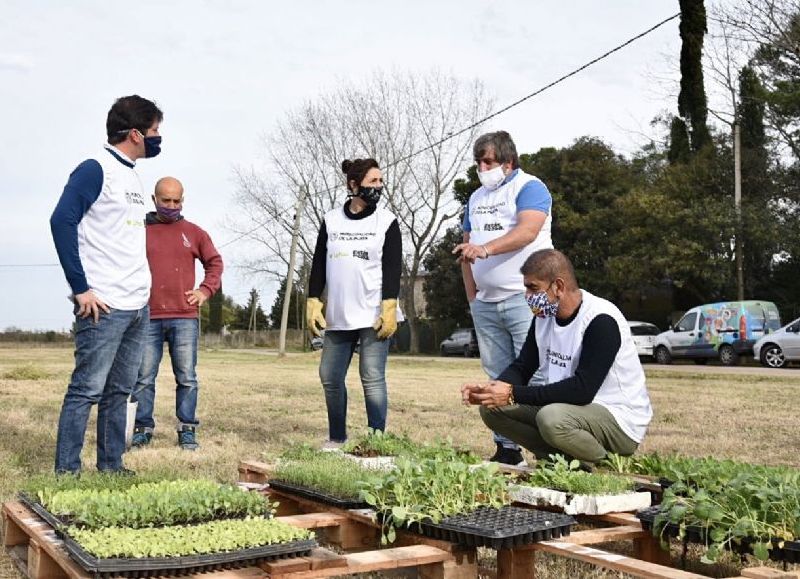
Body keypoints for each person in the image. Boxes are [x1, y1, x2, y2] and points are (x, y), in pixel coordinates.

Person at [50, 95, 163, 474]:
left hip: (136, 306)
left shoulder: (131, 172)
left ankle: (111, 467)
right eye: (153, 131)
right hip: (104, 305)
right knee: (86, 390)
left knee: (119, 392)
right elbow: (61, 221)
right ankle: (67, 473)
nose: (157, 138)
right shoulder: (95, 168)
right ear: (134, 133)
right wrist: (81, 287)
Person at [461, 249, 653, 466]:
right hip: (569, 411)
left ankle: (605, 464)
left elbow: (582, 390)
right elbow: (524, 366)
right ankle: (560, 460)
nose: (527, 296)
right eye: (525, 287)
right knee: (491, 409)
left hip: (619, 420)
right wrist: (493, 390)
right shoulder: (544, 317)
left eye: (533, 288)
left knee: (551, 418)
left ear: (558, 287)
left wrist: (512, 394)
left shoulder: (601, 321)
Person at [453, 131, 553, 466]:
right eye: (478, 162)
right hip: (487, 303)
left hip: (525, 300)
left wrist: (486, 249)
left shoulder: (530, 187)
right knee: (496, 377)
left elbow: (527, 231)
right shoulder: (476, 198)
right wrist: (473, 297)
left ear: (508, 162)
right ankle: (507, 450)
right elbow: (467, 247)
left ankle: (548, 450)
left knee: (537, 374)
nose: (482, 168)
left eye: (488, 162)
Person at [306, 158, 402, 448]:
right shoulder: (331, 219)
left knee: (371, 378)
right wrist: (313, 299)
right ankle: (336, 438)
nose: (379, 187)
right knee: (330, 377)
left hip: (374, 314)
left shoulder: (386, 221)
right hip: (338, 315)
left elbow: (392, 267)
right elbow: (319, 263)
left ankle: (376, 442)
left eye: (381, 181)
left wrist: (389, 306)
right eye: (373, 181)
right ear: (353, 185)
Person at [130, 177, 223, 450]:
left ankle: (187, 429)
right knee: (144, 377)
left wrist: (205, 291)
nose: (171, 205)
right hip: (146, 316)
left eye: (176, 200)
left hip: (184, 317)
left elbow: (215, 263)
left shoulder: (194, 232)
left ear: (183, 200)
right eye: (166, 200)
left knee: (187, 377)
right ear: (154, 200)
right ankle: (142, 428)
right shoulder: (138, 231)